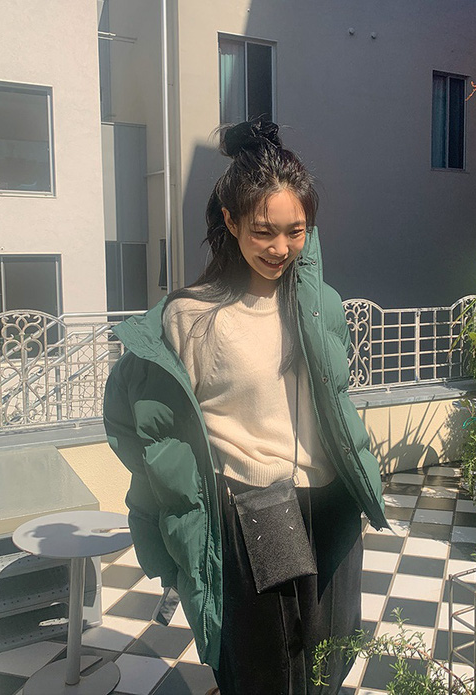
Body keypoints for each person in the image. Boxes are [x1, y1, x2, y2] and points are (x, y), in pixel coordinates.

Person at [103, 118, 388, 695]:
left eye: (295, 231)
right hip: (259, 505)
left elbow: (334, 399)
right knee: (268, 669)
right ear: (230, 222)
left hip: (331, 501)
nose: (281, 248)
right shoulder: (191, 317)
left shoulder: (321, 304)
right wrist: (174, 517)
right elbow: (147, 428)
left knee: (330, 657)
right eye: (264, 231)